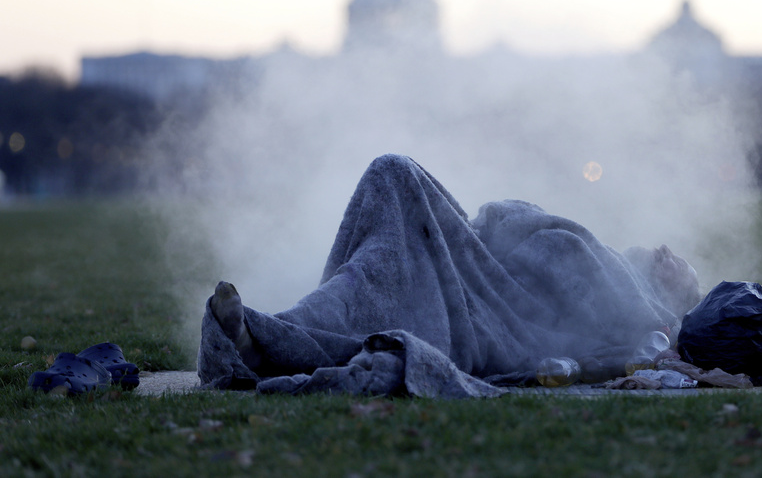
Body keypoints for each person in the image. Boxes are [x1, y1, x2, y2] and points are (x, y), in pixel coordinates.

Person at [199, 154, 700, 394]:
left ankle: (265, 339)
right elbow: (506, 219)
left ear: (670, 297)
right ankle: (269, 332)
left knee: (383, 259)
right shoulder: (609, 256)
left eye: (679, 269)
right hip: (471, 257)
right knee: (377, 243)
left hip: (484, 303)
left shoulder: (640, 308)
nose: (666, 251)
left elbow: (628, 321)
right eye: (670, 251)